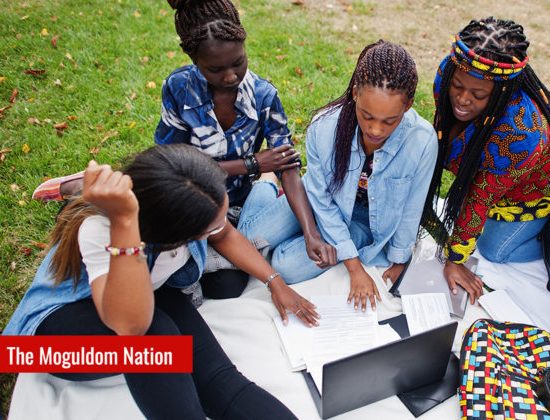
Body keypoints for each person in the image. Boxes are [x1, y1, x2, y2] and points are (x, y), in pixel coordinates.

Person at [32, 0, 337, 298]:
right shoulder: (179, 88)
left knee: (226, 287)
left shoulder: (264, 96)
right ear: (194, 59)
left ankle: (260, 195)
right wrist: (252, 164)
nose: (231, 76)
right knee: (195, 277)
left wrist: (311, 234)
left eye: (238, 62)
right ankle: (88, 184)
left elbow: (287, 167)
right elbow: (172, 166)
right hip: (186, 203)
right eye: (215, 69)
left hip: (233, 205)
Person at [5, 144, 318, 419]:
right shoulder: (102, 228)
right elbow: (131, 327)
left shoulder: (188, 199)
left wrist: (275, 282)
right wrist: (124, 222)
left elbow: (224, 233)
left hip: (145, 291)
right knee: (156, 338)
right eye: (207, 229)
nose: (220, 227)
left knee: (219, 381)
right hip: (52, 344)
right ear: (171, 233)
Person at [251, 40, 436, 311]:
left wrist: (398, 260)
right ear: (355, 93)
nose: (375, 130)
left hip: (363, 223)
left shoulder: (422, 141)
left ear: (408, 106)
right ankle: (266, 183)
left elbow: (411, 208)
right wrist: (353, 266)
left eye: (389, 121)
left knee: (284, 265)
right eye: (367, 116)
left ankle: (333, 236)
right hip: (318, 203)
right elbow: (321, 199)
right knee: (250, 239)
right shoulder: (324, 127)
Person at [423, 17, 550, 304]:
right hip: (511, 174)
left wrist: (455, 260)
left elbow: (479, 197)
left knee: (494, 250)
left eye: (478, 94)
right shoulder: (451, 69)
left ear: (503, 92)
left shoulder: (521, 133)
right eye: (457, 86)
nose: (462, 99)